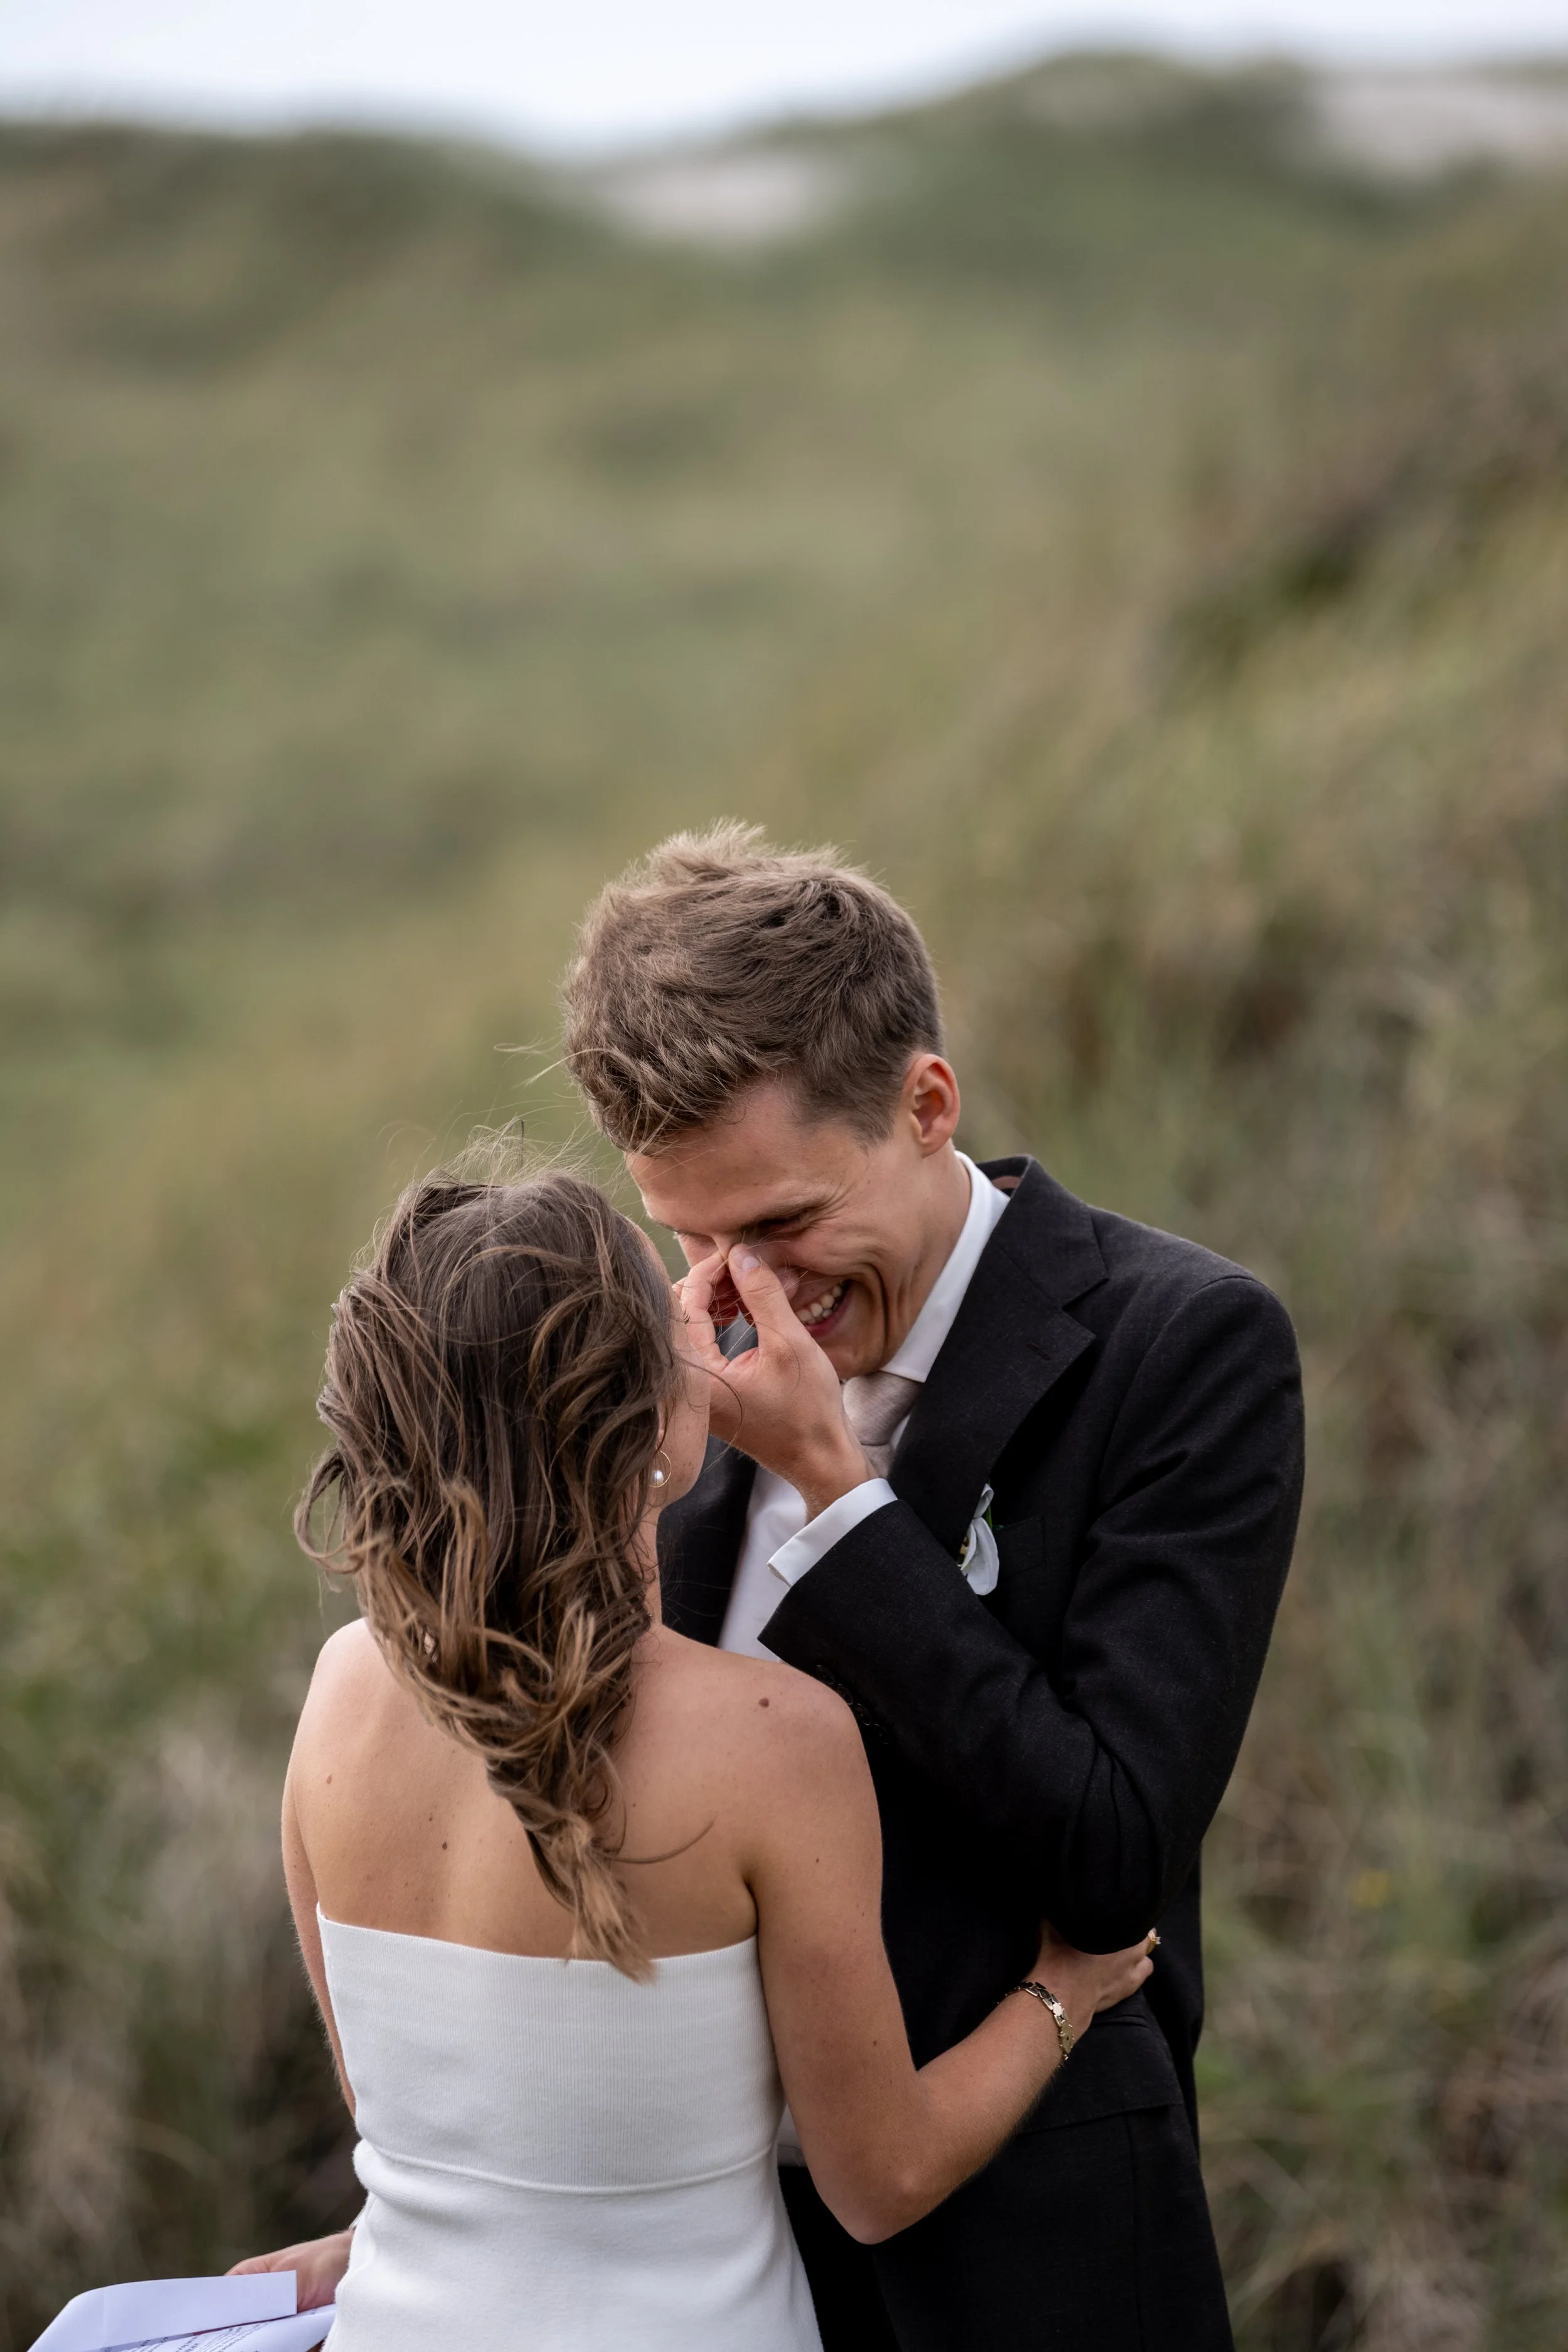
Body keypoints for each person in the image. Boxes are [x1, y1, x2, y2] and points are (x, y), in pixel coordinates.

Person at [549, 824, 1306, 2351]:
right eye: (684, 1233)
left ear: (926, 1103)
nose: (733, 1291)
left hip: (1029, 2256)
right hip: (692, 2261)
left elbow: (1109, 1855)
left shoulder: (1182, 1348)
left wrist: (839, 1499)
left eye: (779, 1224)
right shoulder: (662, 1361)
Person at [238, 1164, 1152, 2348]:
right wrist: (1065, 1989)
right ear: (651, 1423)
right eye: (670, 1305)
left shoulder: (341, 1691)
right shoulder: (775, 1742)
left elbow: (423, 2127)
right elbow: (879, 2179)